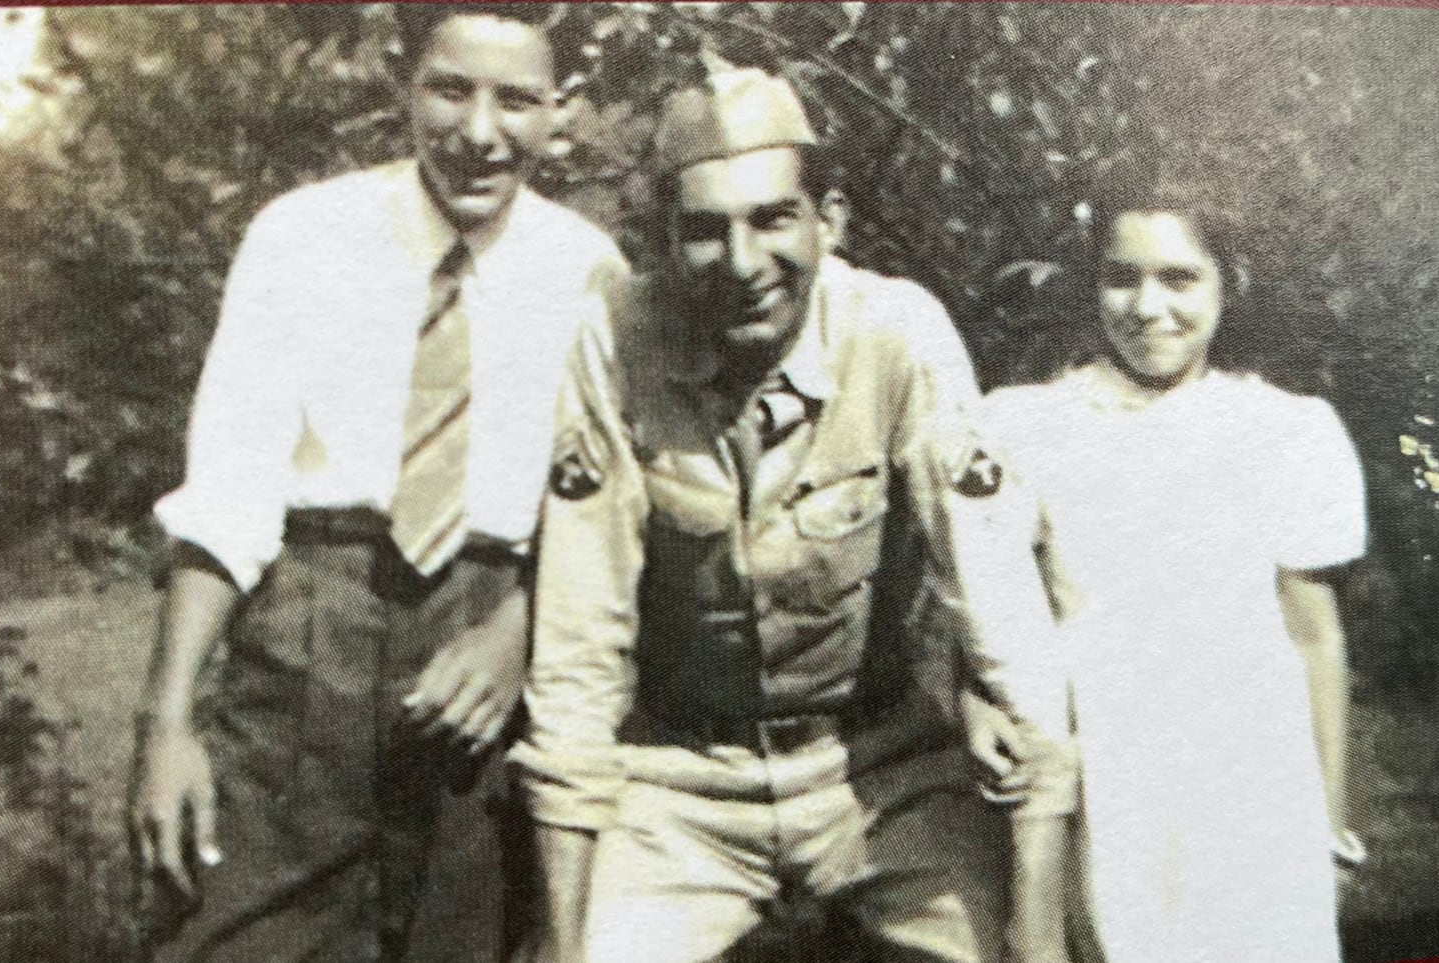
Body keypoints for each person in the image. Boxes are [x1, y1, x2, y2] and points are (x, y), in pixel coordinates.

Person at [513, 63, 1060, 963]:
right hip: (680, 783)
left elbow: (1001, 606)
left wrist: (1039, 933)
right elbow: (580, 640)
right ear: (662, 239)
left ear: (829, 219)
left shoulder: (896, 332)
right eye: (703, 231)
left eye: (772, 218)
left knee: (1019, 946)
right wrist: (564, 939)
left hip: (879, 768)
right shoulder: (616, 340)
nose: (742, 264)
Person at [130, 6, 624, 960]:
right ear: (406, 84)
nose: (480, 133)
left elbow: (605, 519)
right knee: (222, 935)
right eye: (451, 89)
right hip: (305, 642)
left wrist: (520, 635)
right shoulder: (302, 236)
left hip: (483, 669)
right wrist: (166, 725)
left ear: (559, 112)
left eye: (516, 100)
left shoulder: (594, 275)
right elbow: (227, 497)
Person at [986, 182, 1367, 963]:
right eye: (1122, 277)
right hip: (1112, 781)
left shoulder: (1288, 432)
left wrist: (1326, 827)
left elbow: (1314, 640)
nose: (1148, 305)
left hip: (1252, 784)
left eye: (1180, 278)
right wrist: (974, 702)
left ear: (1229, 284)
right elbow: (989, 610)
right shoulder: (1027, 426)